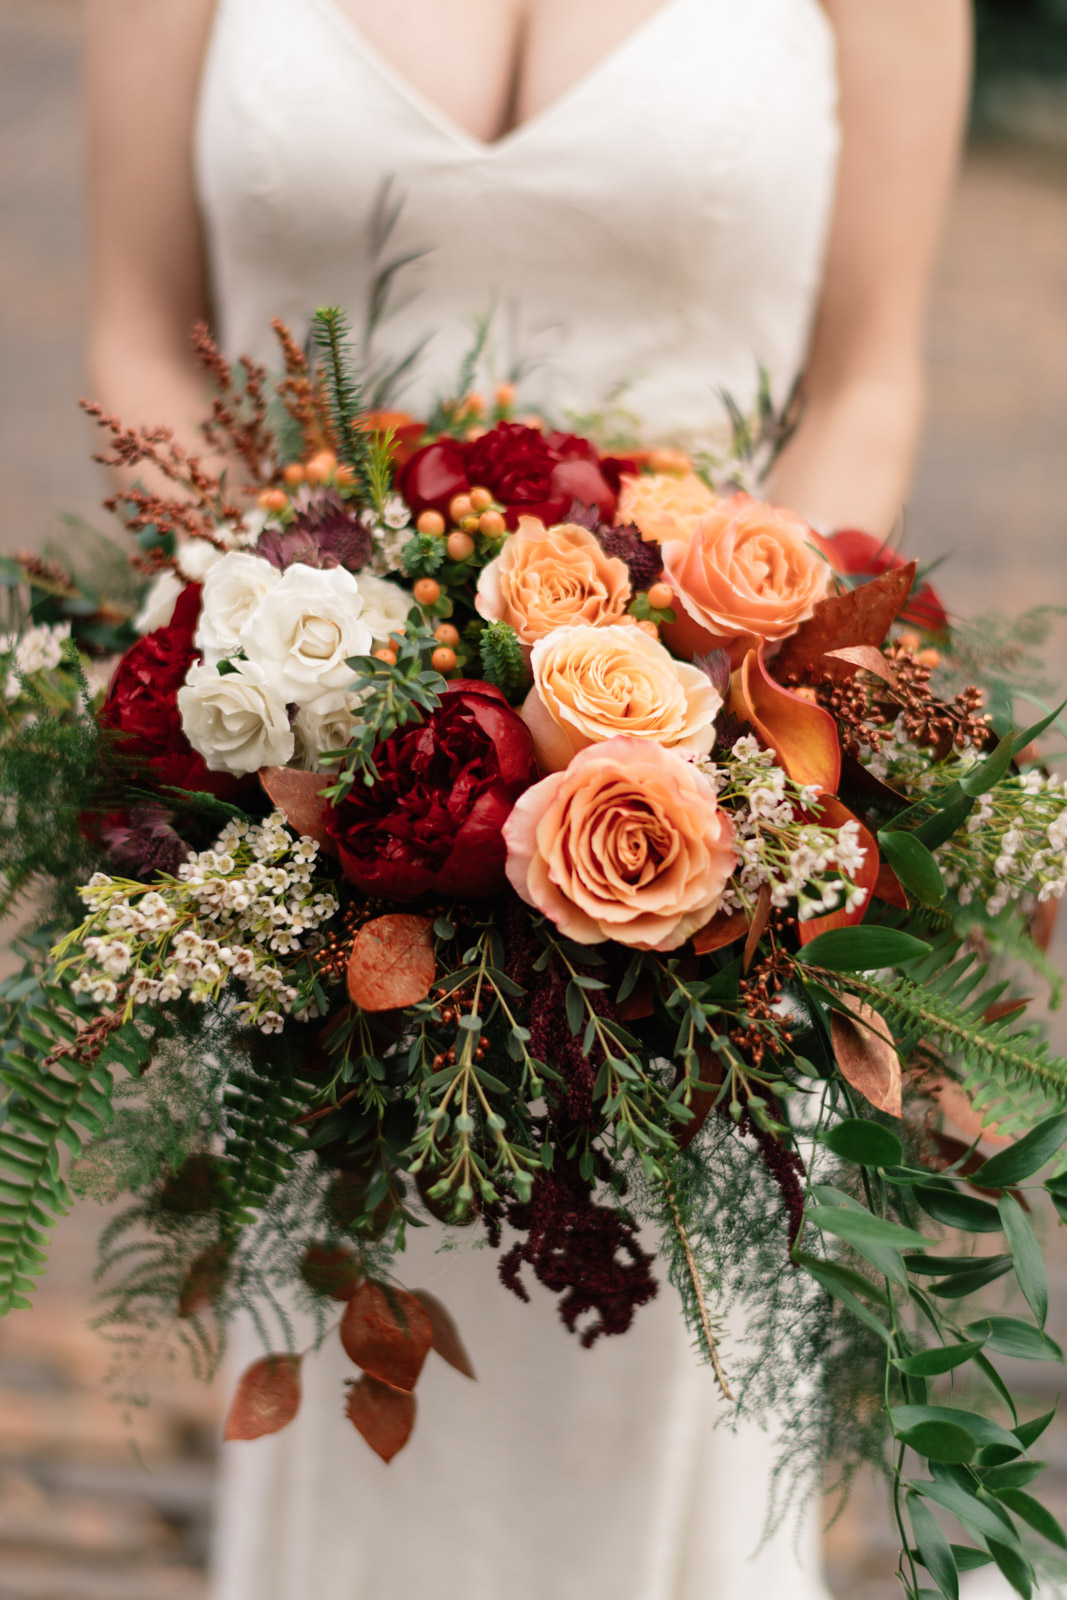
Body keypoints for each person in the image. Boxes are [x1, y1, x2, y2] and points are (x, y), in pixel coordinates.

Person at [85, 3, 973, 1597]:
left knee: (681, 1399)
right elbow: (144, 337)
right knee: (358, 1382)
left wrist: (709, 731)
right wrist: (288, 671)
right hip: (307, 817)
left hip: (699, 855)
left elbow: (866, 381)